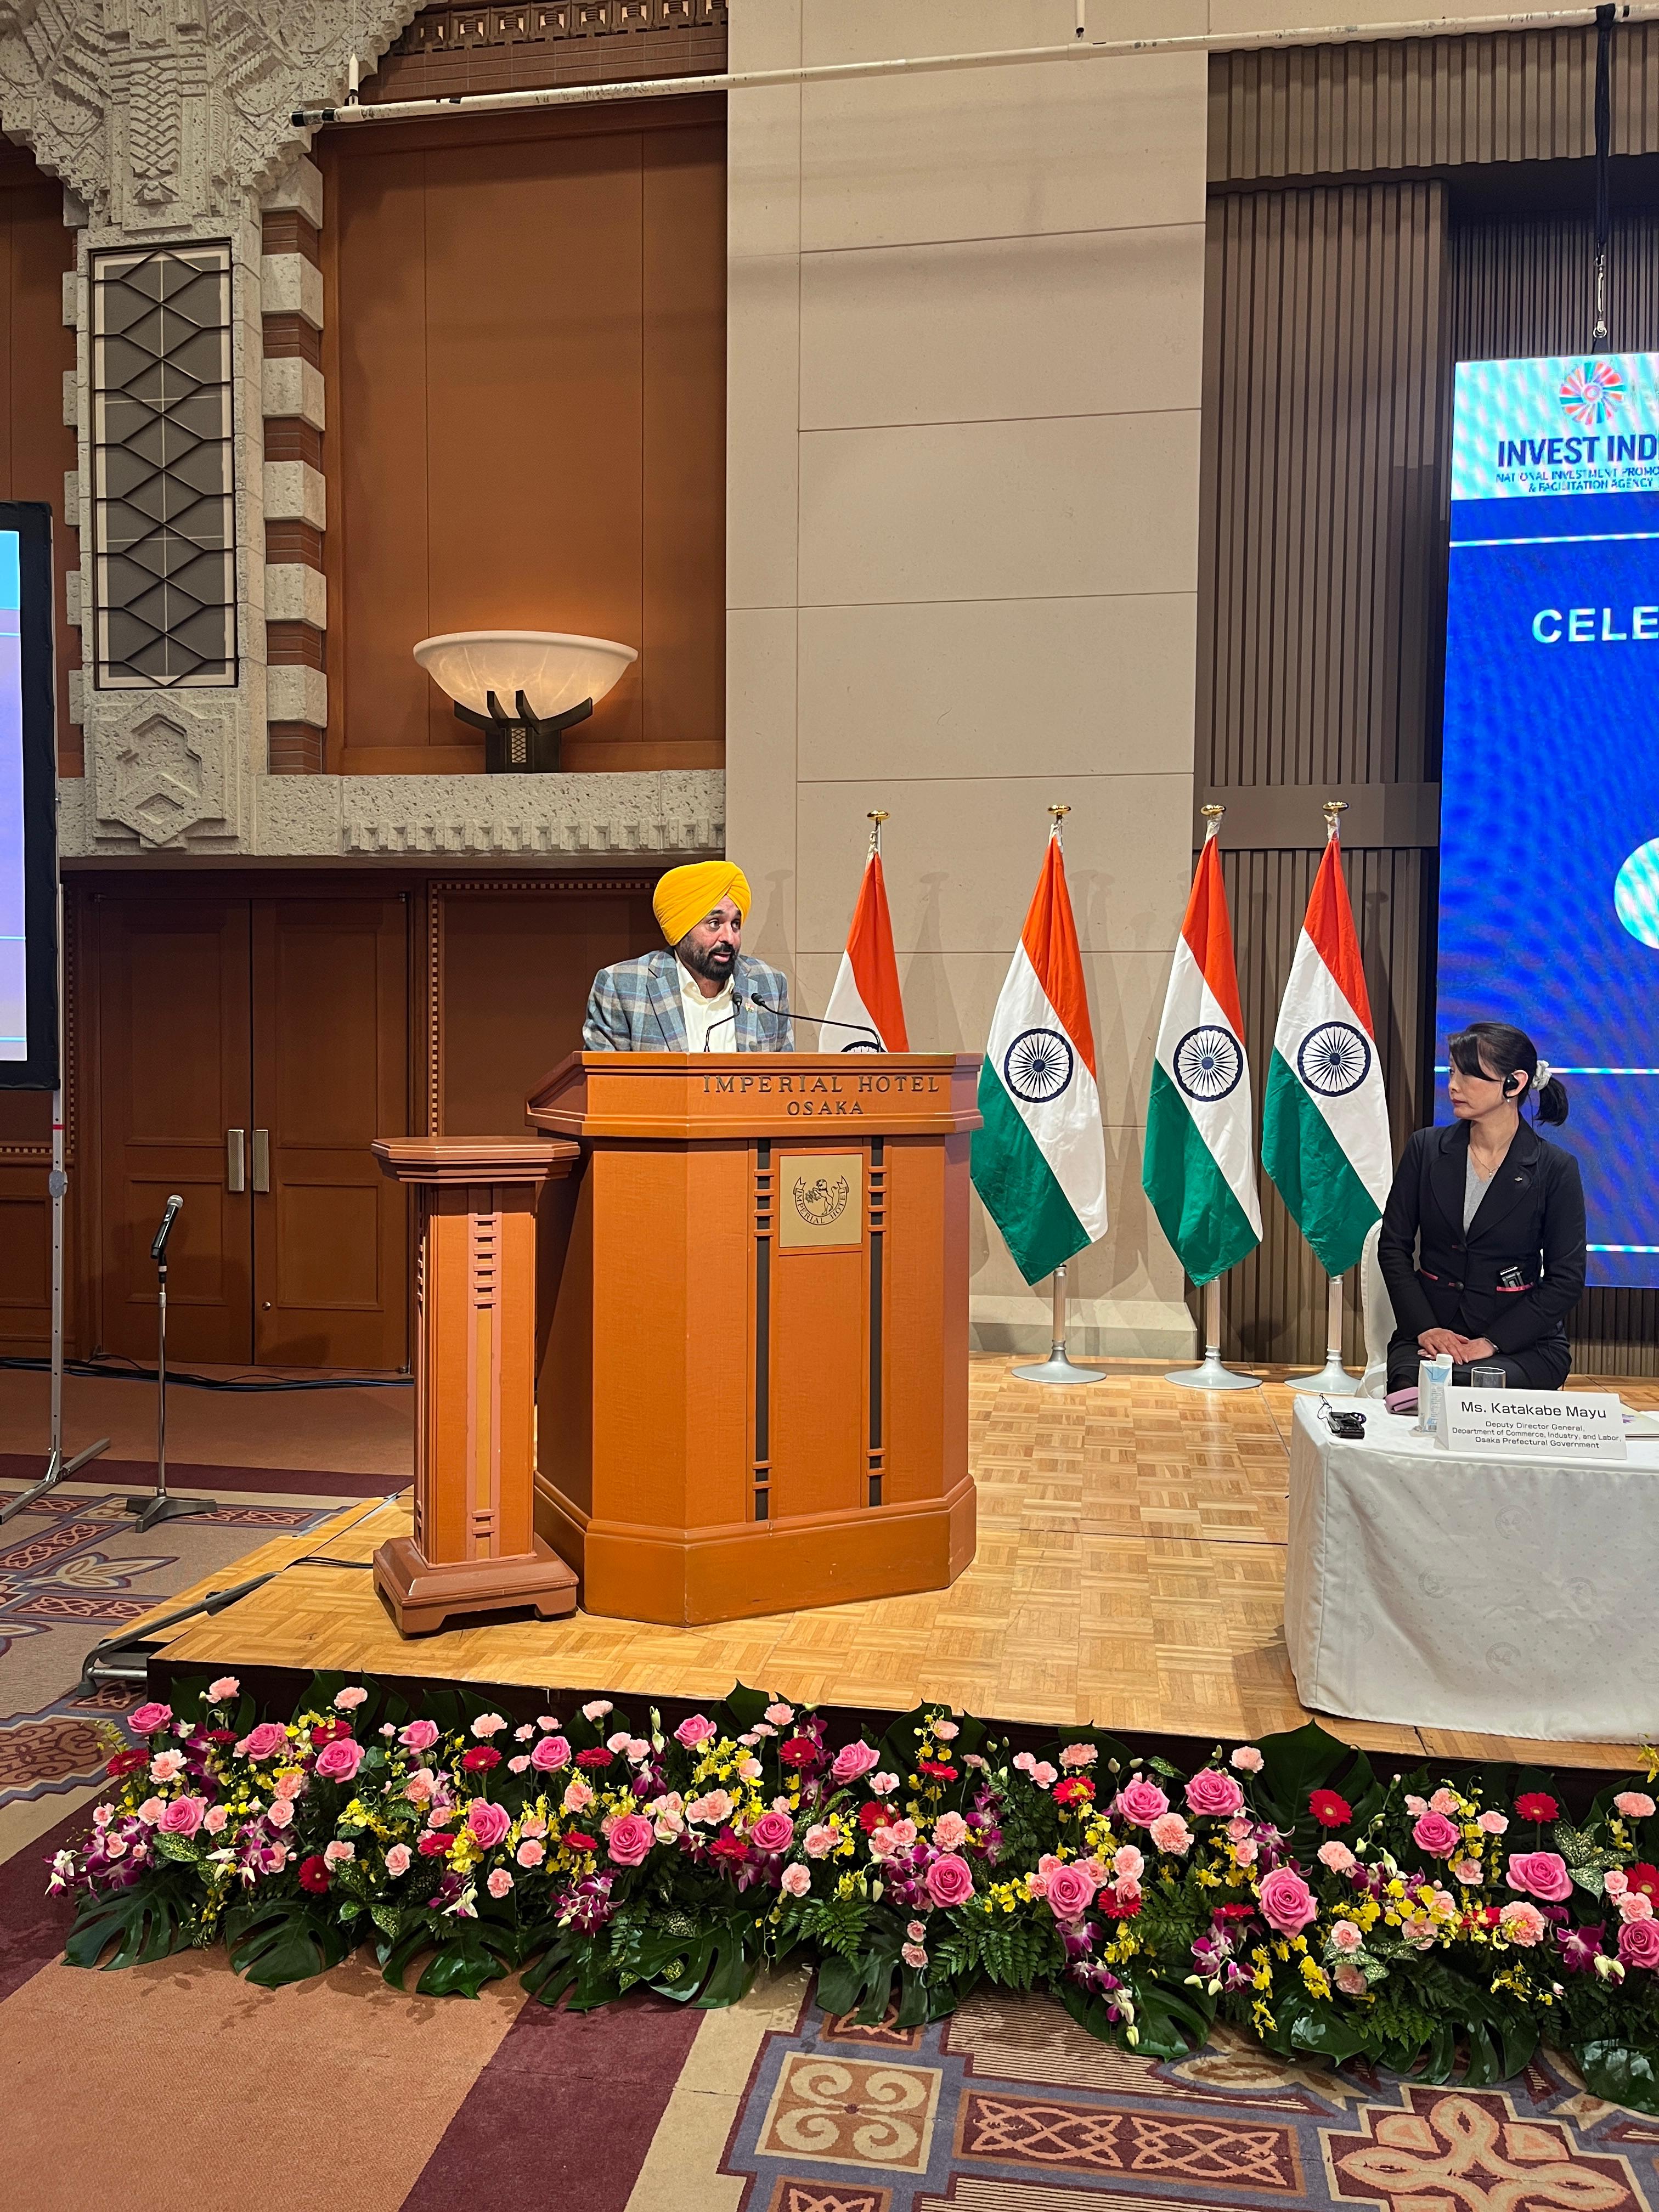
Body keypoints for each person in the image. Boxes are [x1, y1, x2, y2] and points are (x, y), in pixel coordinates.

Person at [1376, 1021, 1585, 1403]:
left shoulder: (1555, 1168)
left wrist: (1491, 1342)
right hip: (1431, 1336)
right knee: (1418, 1394)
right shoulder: (1426, 1149)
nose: (1453, 1086)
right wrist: (1426, 1329)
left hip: (1520, 1344)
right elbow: (1392, 1248)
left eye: (1469, 1075)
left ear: (1514, 1084)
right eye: (1452, 1072)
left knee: (1475, 1391)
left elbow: (1566, 1279)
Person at [583, 860, 793, 1052]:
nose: (730, 938)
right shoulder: (622, 987)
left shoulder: (769, 986)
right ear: (681, 929)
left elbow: (787, 1077)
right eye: (715, 924)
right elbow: (602, 1079)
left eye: (735, 924)